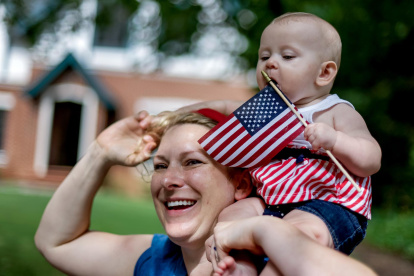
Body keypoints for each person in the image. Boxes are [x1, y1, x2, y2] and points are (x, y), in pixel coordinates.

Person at [178, 12, 382, 275]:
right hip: (272, 201)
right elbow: (224, 107)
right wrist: (174, 114)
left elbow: (371, 159)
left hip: (329, 204)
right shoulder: (268, 110)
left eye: (287, 56)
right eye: (264, 56)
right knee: (234, 214)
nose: (271, 63)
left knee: (294, 233)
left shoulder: (335, 111)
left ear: (324, 72)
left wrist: (335, 140)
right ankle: (240, 266)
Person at [34, 110, 254, 276]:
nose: (168, 180)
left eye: (192, 162)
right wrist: (100, 153)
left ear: (241, 184)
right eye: (160, 165)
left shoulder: (277, 260)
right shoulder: (153, 259)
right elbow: (56, 243)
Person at [209, 216, 378, 276]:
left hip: (324, 199)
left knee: (300, 231)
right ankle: (244, 264)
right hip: (275, 199)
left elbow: (371, 161)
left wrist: (265, 228)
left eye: (194, 163)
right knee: (235, 216)